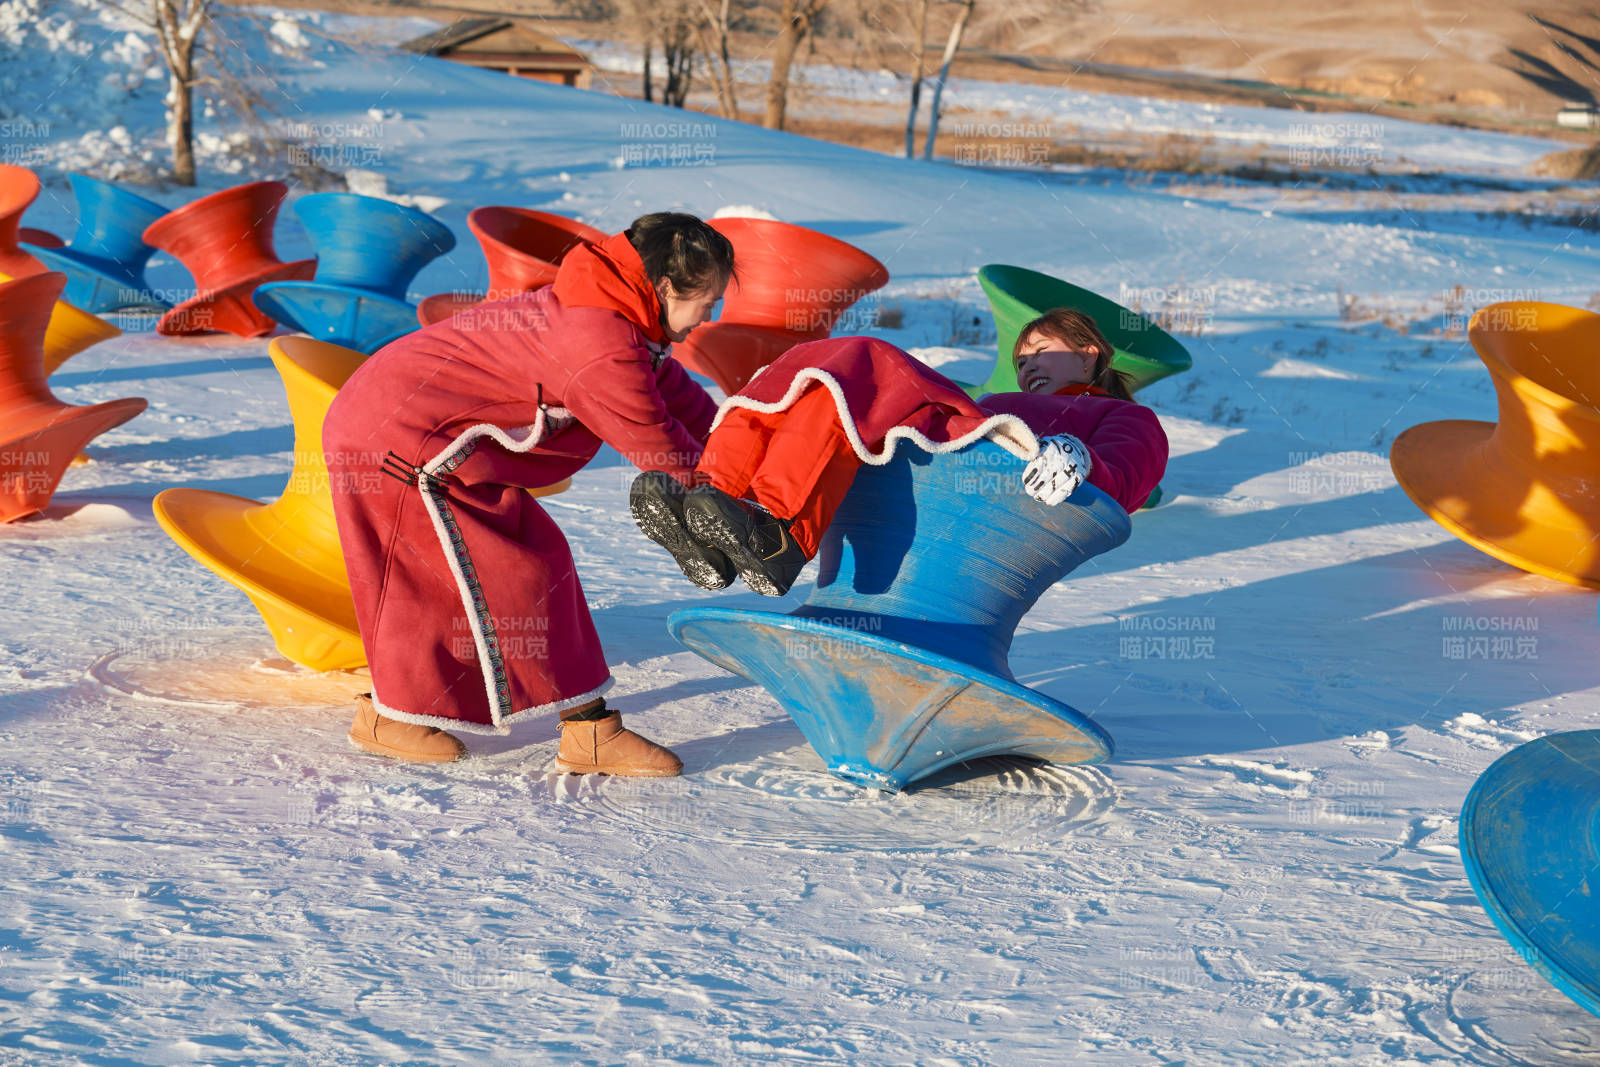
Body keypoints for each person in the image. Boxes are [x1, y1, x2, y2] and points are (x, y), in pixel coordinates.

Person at [324, 212, 735, 775]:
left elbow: (682, 404)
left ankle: (587, 733)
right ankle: (390, 717)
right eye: (706, 302)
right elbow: (661, 445)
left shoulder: (621, 318)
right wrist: (734, 495)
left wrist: (739, 451)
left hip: (435, 439)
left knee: (539, 567)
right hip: (393, 439)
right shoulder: (599, 341)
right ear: (663, 286)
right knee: (467, 580)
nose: (710, 317)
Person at [631, 307, 1167, 597]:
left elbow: (1129, 479)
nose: (1026, 365)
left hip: (987, 489)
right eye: (1021, 358)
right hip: (939, 445)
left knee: (866, 360)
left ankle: (782, 531)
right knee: (812, 381)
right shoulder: (1004, 400)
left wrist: (1080, 456)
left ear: (1090, 355)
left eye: (1042, 352)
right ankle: (717, 505)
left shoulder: (1124, 416)